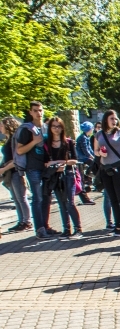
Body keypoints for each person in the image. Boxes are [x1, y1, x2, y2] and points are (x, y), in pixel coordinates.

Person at [93, 109, 120, 236]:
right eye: (111, 118)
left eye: (116, 119)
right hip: (105, 169)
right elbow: (95, 150)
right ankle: (117, 224)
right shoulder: (99, 134)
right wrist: (99, 153)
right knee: (113, 199)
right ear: (106, 119)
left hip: (119, 168)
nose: (114, 121)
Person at [15, 101, 53, 239]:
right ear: (30, 112)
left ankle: (46, 226)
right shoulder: (27, 129)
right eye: (35, 110)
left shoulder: (46, 128)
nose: (39, 113)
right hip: (33, 168)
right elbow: (19, 150)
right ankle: (40, 229)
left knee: (47, 198)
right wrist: (34, 142)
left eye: (41, 110)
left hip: (47, 168)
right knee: (37, 198)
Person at [45, 117, 83, 239]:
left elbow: (75, 160)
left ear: (62, 128)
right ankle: (66, 229)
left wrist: (59, 162)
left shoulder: (68, 142)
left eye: (59, 126)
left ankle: (78, 229)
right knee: (61, 204)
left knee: (69, 202)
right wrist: (54, 165)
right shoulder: (47, 144)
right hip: (55, 177)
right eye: (54, 126)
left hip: (68, 175)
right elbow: (45, 163)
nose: (56, 129)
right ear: (50, 128)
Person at [0, 117, 31, 233]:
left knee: (21, 198)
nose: (0, 128)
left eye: (2, 125)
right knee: (16, 199)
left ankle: (27, 222)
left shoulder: (15, 139)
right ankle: (21, 221)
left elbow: (17, 159)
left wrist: (3, 169)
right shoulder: (8, 140)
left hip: (16, 172)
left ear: (8, 126)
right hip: (10, 172)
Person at [74, 122, 96, 205]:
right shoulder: (82, 138)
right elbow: (85, 150)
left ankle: (89, 177)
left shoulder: (86, 137)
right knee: (92, 164)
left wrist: (94, 155)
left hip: (84, 158)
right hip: (81, 158)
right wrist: (91, 157)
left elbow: (89, 149)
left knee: (94, 162)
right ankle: (88, 175)